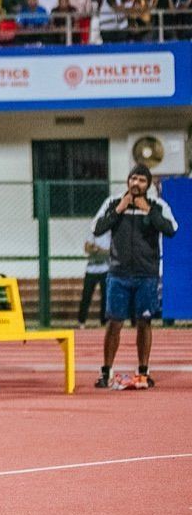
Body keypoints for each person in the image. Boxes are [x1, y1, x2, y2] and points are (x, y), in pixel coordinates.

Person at [91, 165, 178, 388]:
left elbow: (171, 230)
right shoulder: (113, 202)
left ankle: (143, 372)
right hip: (118, 274)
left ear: (148, 184)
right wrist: (119, 209)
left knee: (144, 322)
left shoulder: (158, 205)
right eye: (132, 179)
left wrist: (148, 210)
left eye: (140, 180)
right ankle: (107, 372)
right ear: (127, 181)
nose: (135, 183)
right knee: (114, 323)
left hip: (146, 274)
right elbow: (97, 228)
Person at [78, 225, 111, 327]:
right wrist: (96, 250)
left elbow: (110, 252)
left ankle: (104, 321)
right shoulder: (93, 233)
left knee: (105, 297)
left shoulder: (110, 233)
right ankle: (81, 321)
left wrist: (98, 250)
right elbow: (87, 248)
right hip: (91, 270)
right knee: (86, 296)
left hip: (105, 269)